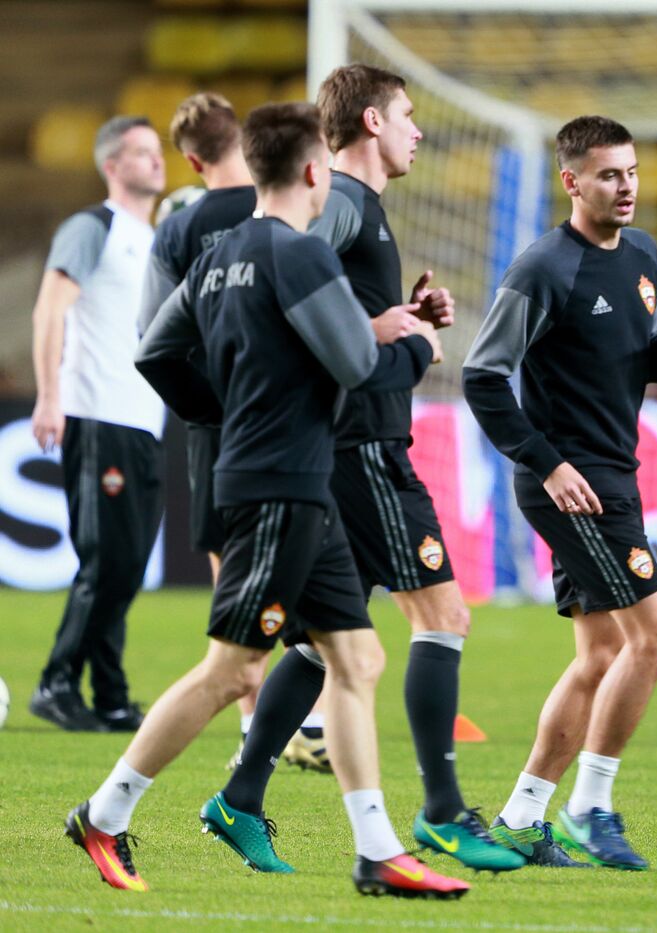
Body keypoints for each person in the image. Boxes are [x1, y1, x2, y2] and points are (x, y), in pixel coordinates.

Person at [65, 101, 469, 897]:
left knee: (356, 657)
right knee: (230, 670)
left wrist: (227, 409)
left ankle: (377, 850)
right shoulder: (299, 256)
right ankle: (104, 814)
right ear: (316, 170)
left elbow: (155, 352)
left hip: (288, 482)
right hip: (280, 488)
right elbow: (359, 370)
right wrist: (419, 341)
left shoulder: (218, 256)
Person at [211, 65, 524, 874]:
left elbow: (338, 311)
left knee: (322, 641)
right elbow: (288, 278)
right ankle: (445, 813)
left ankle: (241, 795)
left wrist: (402, 324)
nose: (419, 131)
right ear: (372, 123)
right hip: (362, 449)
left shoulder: (360, 209)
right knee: (443, 617)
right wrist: (391, 335)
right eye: (409, 116)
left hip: (347, 444)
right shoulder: (342, 200)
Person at [465, 115, 657, 870]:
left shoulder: (642, 255)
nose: (627, 187)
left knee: (601, 651)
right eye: (609, 175)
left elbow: (640, 361)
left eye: (633, 172)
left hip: (615, 473)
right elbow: (483, 377)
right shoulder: (544, 268)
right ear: (571, 181)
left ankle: (520, 816)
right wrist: (547, 464)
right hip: (570, 485)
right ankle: (590, 804)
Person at [135, 93, 323, 771]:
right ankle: (297, 722)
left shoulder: (179, 231)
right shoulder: (285, 221)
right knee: (298, 579)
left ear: (190, 159)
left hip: (219, 424)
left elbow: (151, 335)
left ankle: (257, 726)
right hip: (292, 424)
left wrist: (206, 407)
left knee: (235, 577)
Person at [28, 116, 167, 733]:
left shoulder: (156, 238)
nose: (156, 161)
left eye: (158, 151)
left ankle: (109, 695)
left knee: (128, 564)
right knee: (106, 559)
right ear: (112, 165)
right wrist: (49, 395)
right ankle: (57, 683)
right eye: (141, 152)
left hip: (143, 419)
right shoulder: (93, 228)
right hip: (95, 411)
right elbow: (49, 310)